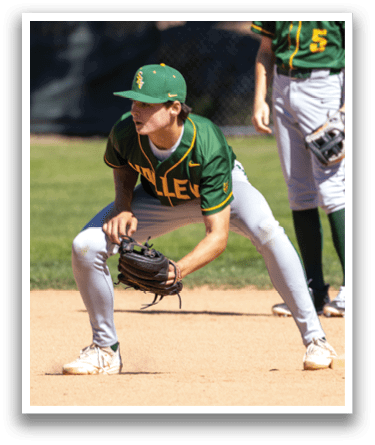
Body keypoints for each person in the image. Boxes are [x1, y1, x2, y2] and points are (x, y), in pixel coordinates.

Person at [63, 63, 337, 375]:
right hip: (158, 198)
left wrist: (176, 271)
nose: (136, 110)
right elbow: (124, 166)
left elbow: (217, 237)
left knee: (267, 230)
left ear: (174, 107)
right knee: (85, 245)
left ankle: (316, 339)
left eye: (146, 104)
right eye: (134, 102)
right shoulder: (127, 130)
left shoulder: (207, 143)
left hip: (221, 192)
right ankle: (104, 349)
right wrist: (123, 206)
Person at [251, 21, 345, 318]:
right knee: (298, 191)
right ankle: (314, 291)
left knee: (334, 190)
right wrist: (259, 98)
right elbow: (266, 50)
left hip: (326, 87)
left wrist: (345, 110)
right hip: (282, 87)